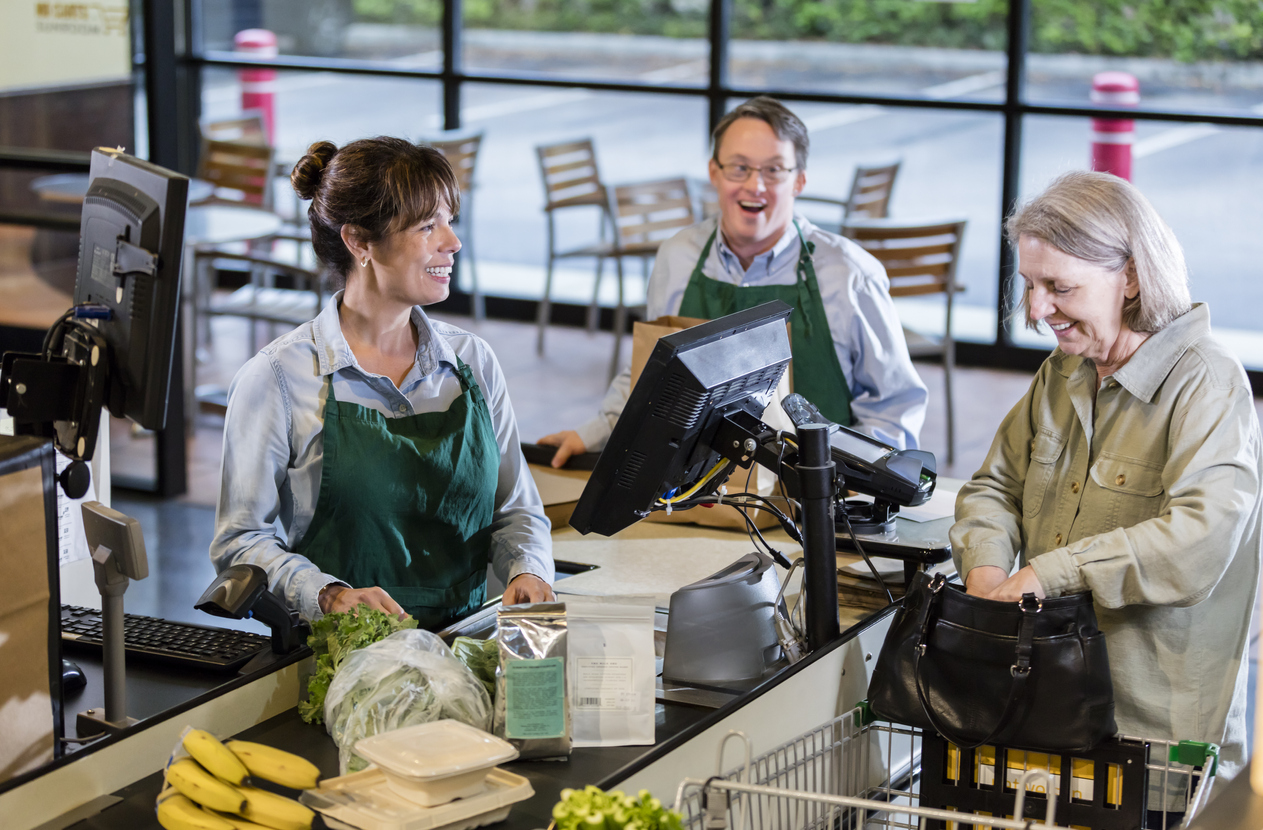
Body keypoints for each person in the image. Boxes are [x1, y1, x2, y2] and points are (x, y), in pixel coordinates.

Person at [951, 170, 1261, 787]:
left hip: (1151, 734)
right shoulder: (1062, 376)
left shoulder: (1209, 384)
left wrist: (1050, 573)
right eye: (1030, 285)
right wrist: (987, 572)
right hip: (1047, 698)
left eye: (1059, 287)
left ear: (1132, 278)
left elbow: (1200, 539)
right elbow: (993, 486)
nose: (1037, 311)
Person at [210, 137, 555, 629]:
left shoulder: (472, 362)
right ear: (359, 242)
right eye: (427, 225)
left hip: (467, 648)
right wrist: (326, 594)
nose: (452, 242)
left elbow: (517, 511)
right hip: (342, 666)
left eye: (449, 220)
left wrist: (529, 570)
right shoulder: (277, 379)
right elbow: (239, 540)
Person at [539, 96, 927, 466]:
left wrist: (857, 479)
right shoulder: (679, 258)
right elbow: (650, 376)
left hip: (816, 505)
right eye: (739, 167)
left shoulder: (849, 274)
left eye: (774, 169)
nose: (755, 186)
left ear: (799, 181)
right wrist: (594, 433)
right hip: (697, 497)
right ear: (714, 173)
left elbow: (893, 408)